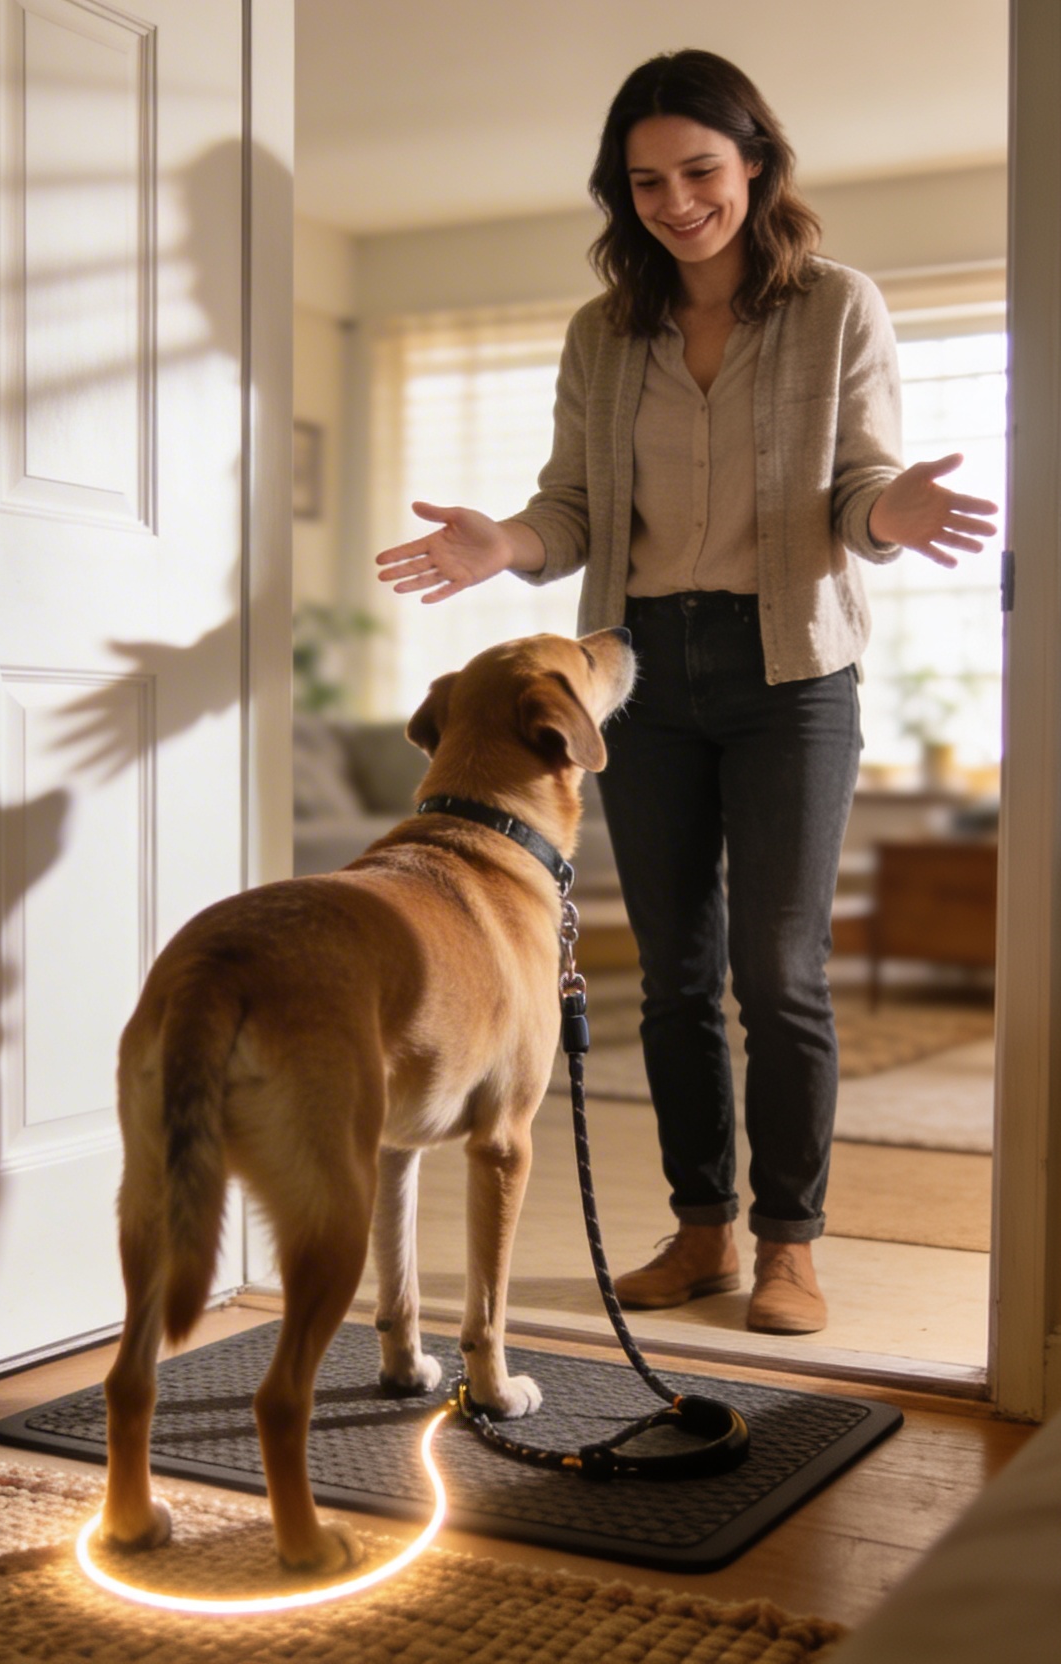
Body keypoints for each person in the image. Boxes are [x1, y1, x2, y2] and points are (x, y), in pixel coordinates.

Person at [373, 50, 997, 1335]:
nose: (677, 200)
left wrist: (897, 508)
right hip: (641, 672)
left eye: (701, 170)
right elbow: (573, 507)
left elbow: (857, 489)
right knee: (673, 972)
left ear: (755, 165)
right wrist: (505, 543)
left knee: (780, 973)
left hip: (791, 674)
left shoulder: (837, 307)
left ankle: (790, 1245)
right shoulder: (605, 334)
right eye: (647, 180)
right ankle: (703, 1228)